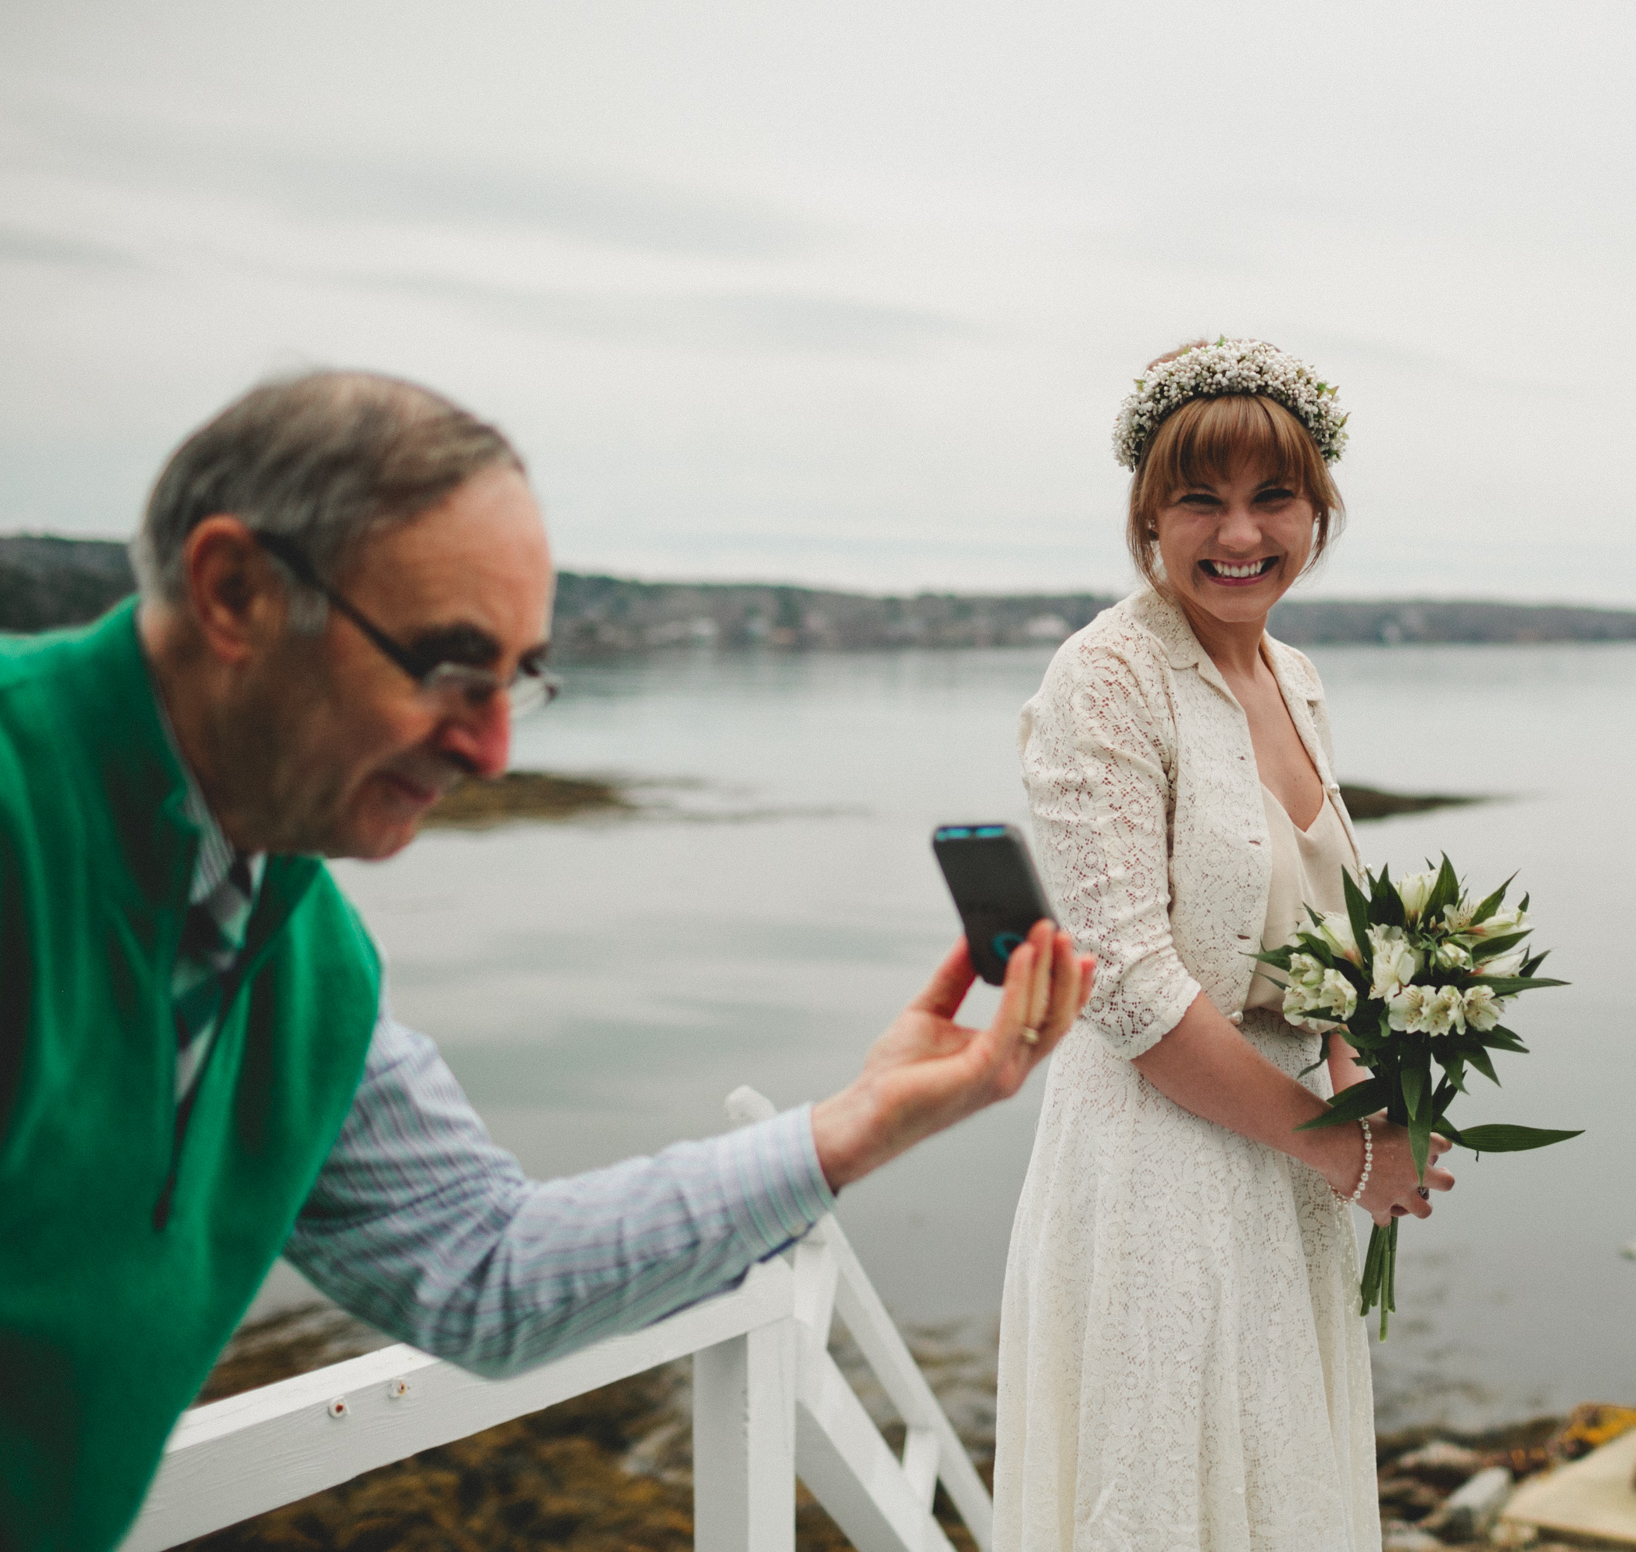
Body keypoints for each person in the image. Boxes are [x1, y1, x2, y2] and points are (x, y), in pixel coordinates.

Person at [0, 370, 1095, 1552]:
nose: (494, 747)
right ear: (234, 591)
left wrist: (857, 1123)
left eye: (519, 676)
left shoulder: (300, 948)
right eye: (451, 666)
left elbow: (481, 1268)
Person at [993, 339, 1452, 1552]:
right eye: (1200, 497)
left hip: (1287, 1162)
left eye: (1272, 496)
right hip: (1159, 1167)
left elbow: (1326, 936)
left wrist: (1375, 1085)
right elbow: (1132, 994)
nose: (1238, 532)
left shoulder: (1294, 676)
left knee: (1281, 1491)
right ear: (1149, 512)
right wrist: (1346, 1153)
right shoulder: (1106, 676)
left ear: (1318, 509)